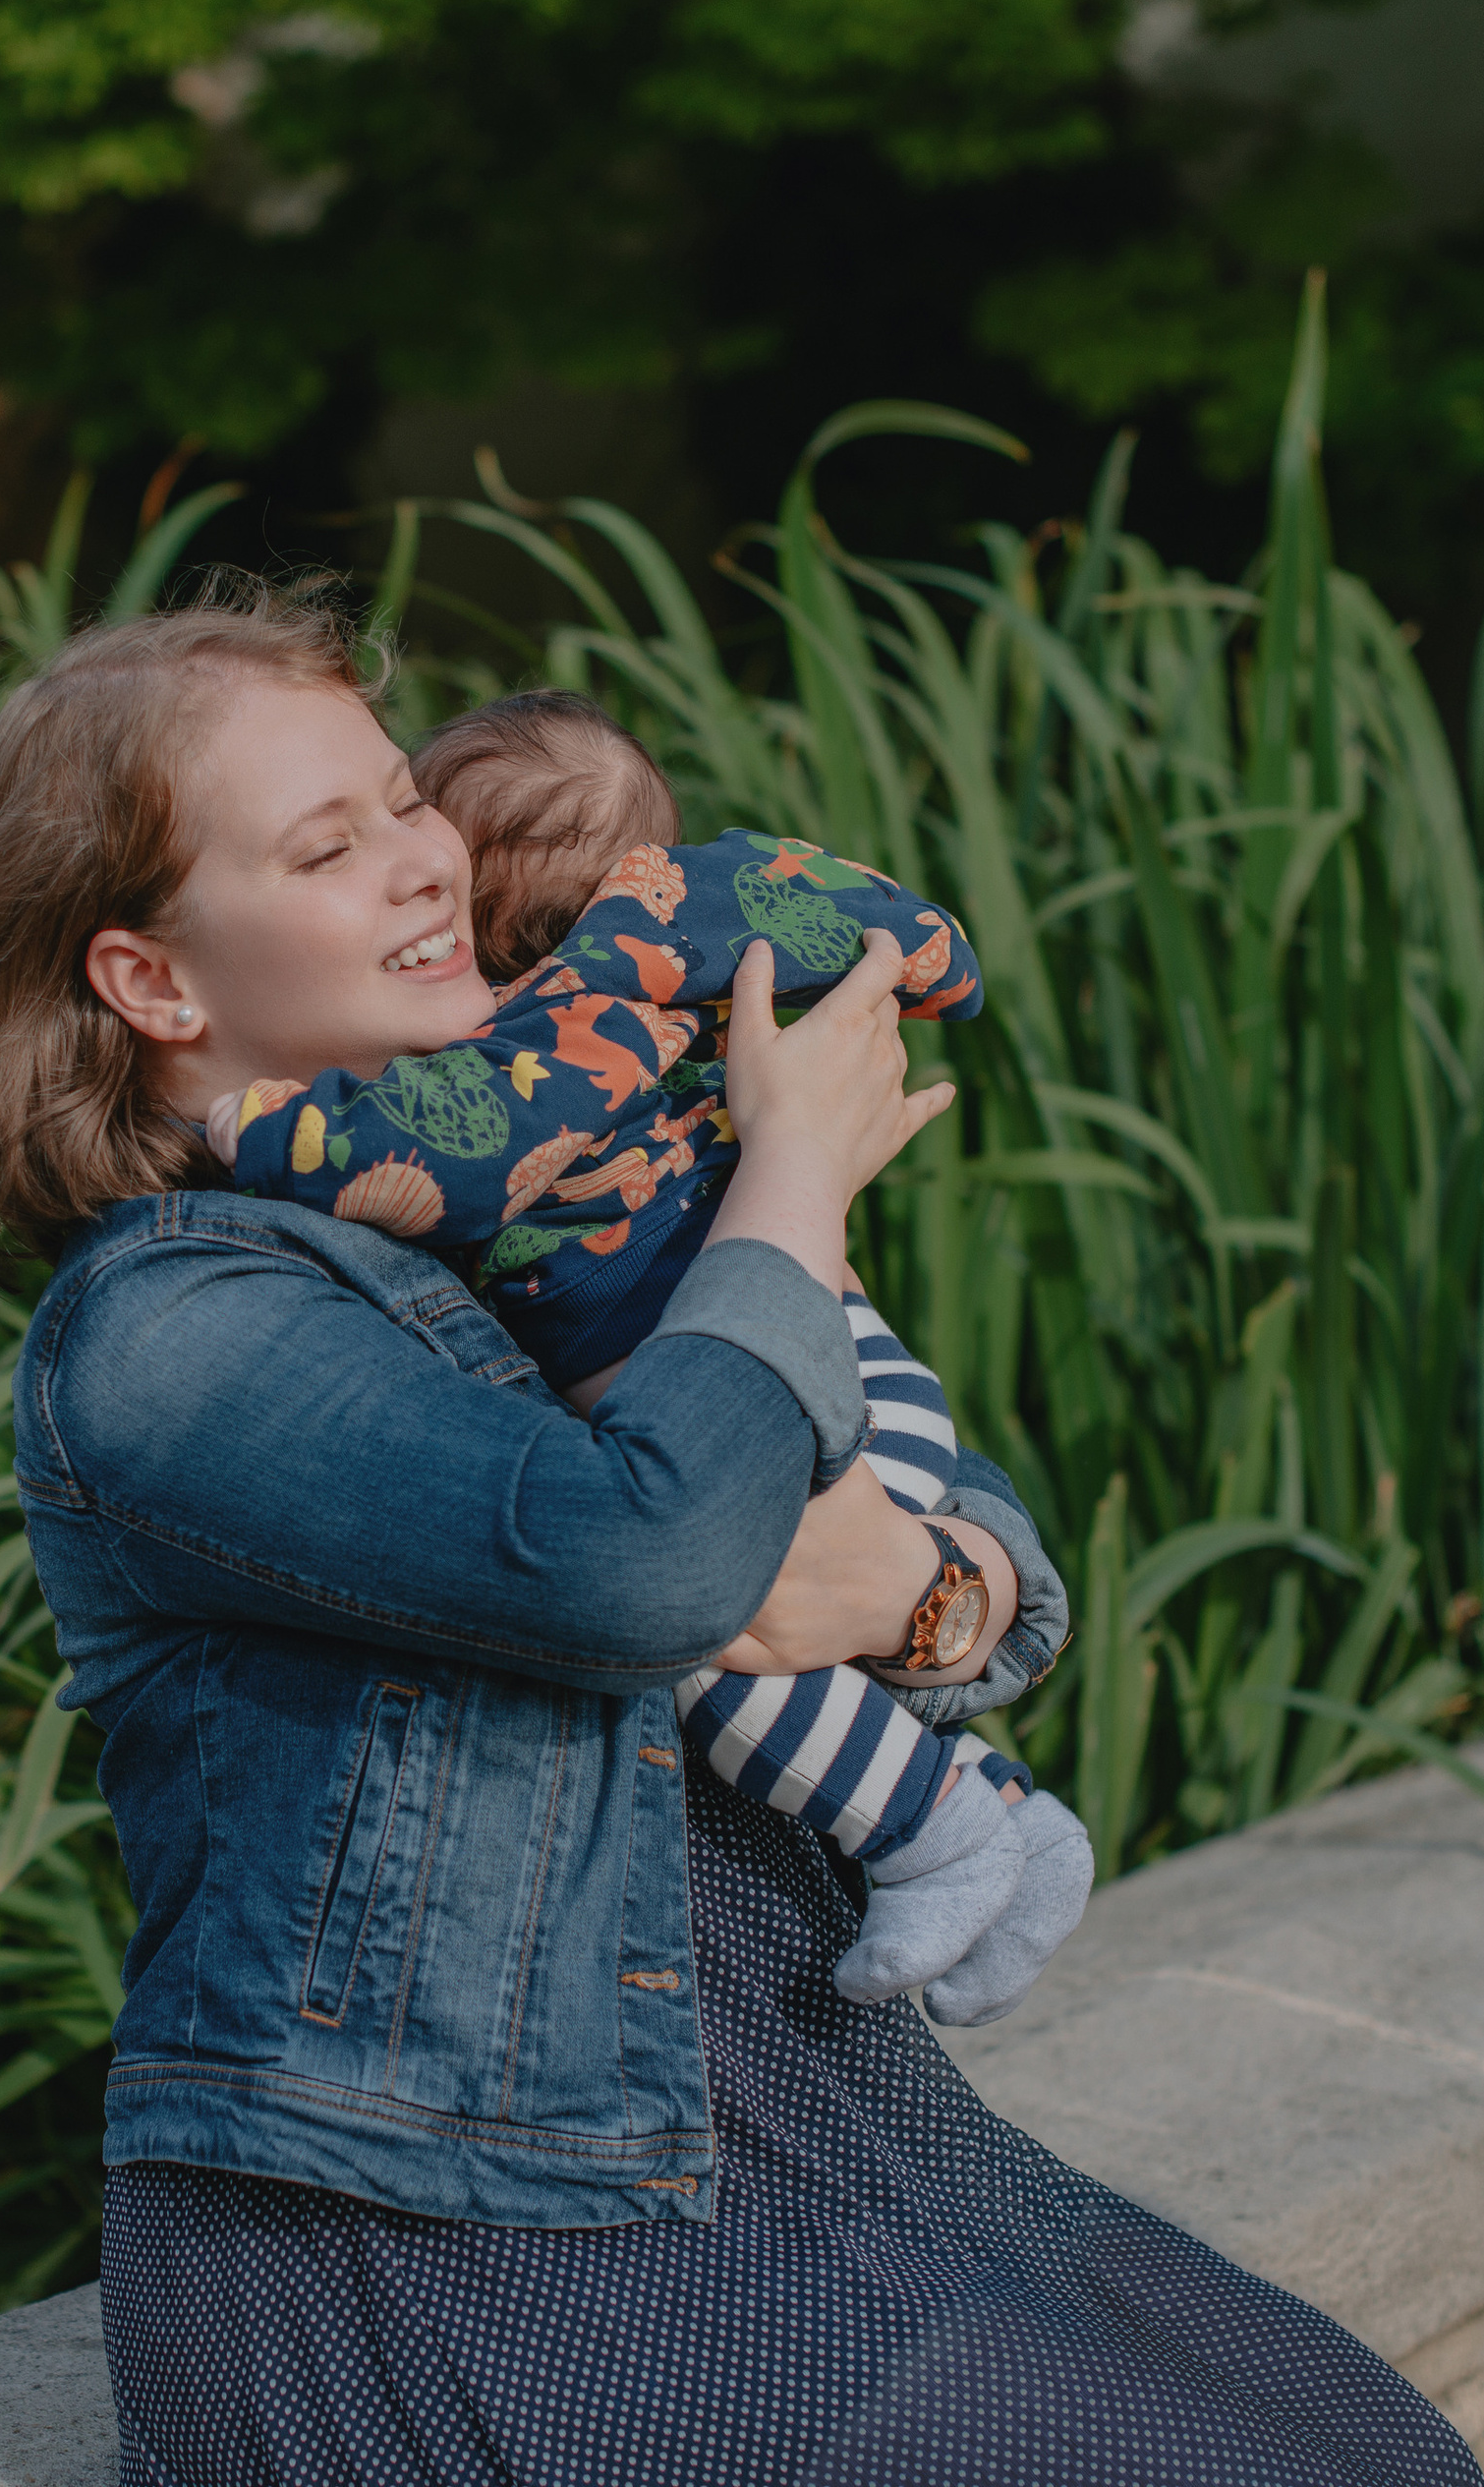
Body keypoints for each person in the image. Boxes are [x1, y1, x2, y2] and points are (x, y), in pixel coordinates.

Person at [0, 583, 1480, 2485]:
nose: (425, 860)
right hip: (445, 2241)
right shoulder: (170, 1329)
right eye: (326, 845)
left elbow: (952, 1542)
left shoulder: (506, 1203)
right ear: (153, 984)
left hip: (781, 2116)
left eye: (405, 798)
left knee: (1376, 2455)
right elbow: (651, 1560)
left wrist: (930, 1595)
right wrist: (791, 1175)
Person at [202, 688, 1086, 2023]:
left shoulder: (563, 1036)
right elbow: (913, 938)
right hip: (868, 1377)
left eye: (419, 820)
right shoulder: (693, 954)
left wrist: (253, 1126)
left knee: (695, 1641)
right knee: (732, 1612)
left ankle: (936, 1830)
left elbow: (434, 1155)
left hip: (787, 1398)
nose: (418, 873)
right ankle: (1012, 1814)